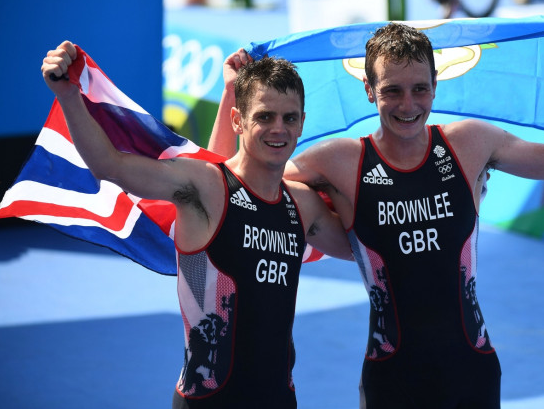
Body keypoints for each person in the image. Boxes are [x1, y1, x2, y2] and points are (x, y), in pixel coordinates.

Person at [210, 14, 544, 408]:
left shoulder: (471, 144)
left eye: (419, 89)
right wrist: (233, 94)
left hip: (472, 372)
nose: (408, 104)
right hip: (394, 382)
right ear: (369, 90)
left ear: (436, 86)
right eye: (392, 90)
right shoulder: (340, 162)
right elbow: (227, 188)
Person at [41, 42, 353, 409]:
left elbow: (367, 247)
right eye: (264, 117)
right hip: (207, 403)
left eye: (289, 117)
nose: (278, 129)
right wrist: (68, 95)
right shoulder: (203, 187)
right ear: (239, 121)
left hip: (279, 400)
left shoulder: (302, 205)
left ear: (302, 122)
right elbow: (109, 166)